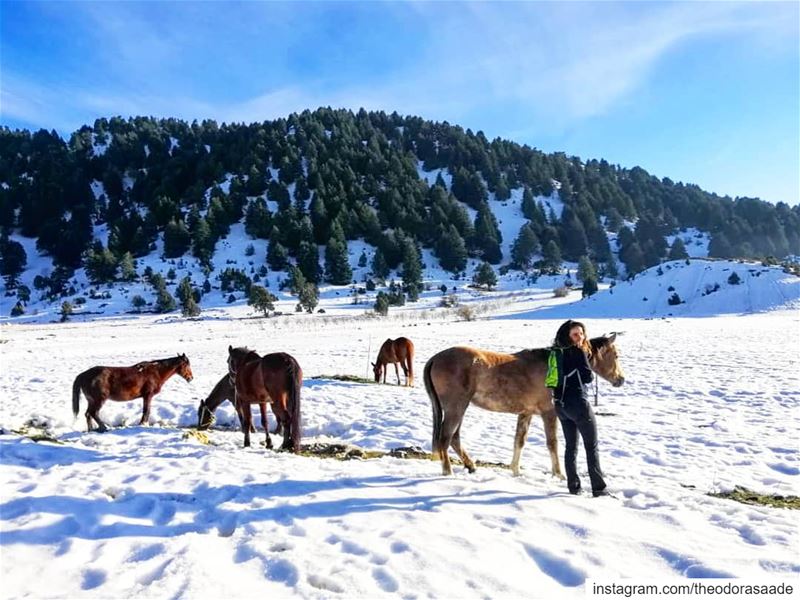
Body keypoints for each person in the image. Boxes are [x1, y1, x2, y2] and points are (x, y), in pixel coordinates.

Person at [552, 319, 609, 497]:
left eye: (582, 333)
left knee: (571, 447)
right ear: (568, 336)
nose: (580, 337)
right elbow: (587, 378)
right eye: (575, 334)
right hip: (578, 403)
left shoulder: (555, 351)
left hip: (560, 405)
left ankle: (573, 487)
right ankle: (599, 489)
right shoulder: (578, 351)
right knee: (591, 446)